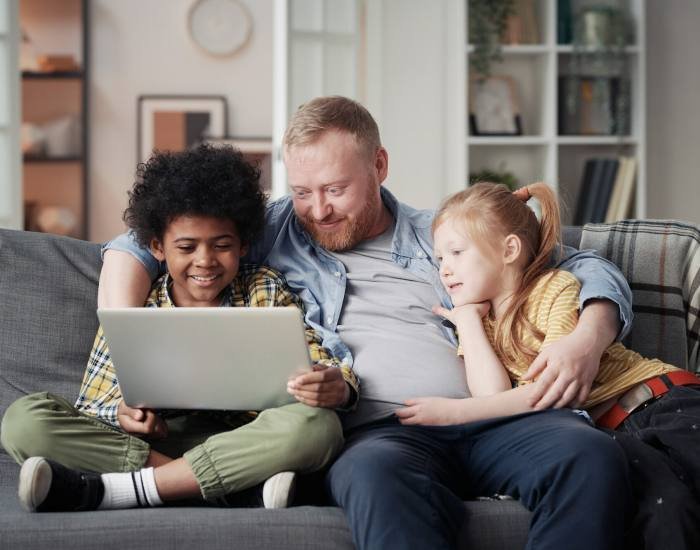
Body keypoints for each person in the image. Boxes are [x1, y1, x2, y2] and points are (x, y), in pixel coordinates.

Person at [95, 97, 633, 549]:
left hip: (495, 415)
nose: (319, 210)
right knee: (373, 479)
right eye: (303, 192)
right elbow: (140, 244)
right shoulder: (269, 232)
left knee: (589, 456)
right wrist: (129, 359)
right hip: (381, 433)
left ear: (379, 165)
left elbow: (584, 265)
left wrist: (589, 335)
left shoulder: (440, 232)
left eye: (335, 189)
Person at [0, 144, 347, 513]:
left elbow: (317, 361)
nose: (205, 261)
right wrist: (122, 413)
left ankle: (124, 490)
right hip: (155, 448)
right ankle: (225, 492)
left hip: (243, 441)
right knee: (23, 422)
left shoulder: (264, 287)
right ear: (157, 247)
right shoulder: (137, 305)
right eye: (187, 247)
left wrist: (326, 380)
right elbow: (94, 404)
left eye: (222, 245)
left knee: (319, 426)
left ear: (244, 244)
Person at [395, 181, 700, 549]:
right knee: (667, 510)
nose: (444, 270)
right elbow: (495, 395)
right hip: (613, 433)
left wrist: (456, 413)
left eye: (456, 252)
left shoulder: (554, 288)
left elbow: (550, 391)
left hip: (663, 403)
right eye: (441, 258)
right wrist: (469, 322)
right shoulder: (479, 327)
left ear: (509, 249)